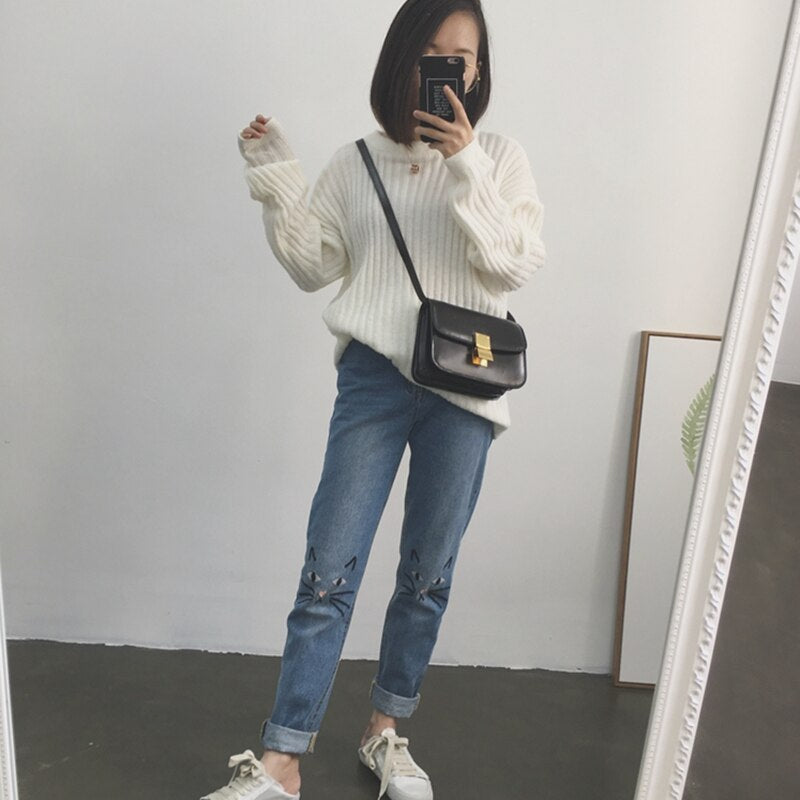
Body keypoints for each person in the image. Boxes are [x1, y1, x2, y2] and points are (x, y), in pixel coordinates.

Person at [201, 1, 545, 798]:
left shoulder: (500, 158)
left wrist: (465, 163)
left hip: (466, 388)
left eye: (464, 56)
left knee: (427, 574)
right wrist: (276, 174)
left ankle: (385, 730)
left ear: (478, 73)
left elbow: (513, 266)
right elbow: (312, 264)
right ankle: (284, 759)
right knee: (329, 567)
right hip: (375, 379)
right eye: (433, 49)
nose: (449, 66)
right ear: (403, 57)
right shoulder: (357, 162)